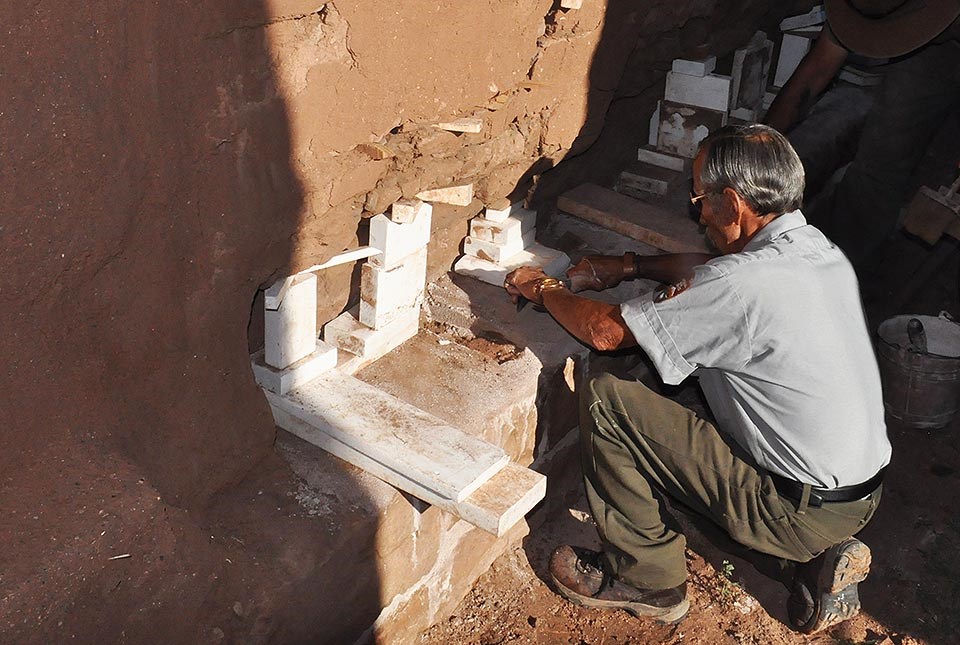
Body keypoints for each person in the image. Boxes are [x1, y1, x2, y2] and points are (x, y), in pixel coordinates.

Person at [503, 125, 891, 633]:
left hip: (795, 506)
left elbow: (602, 332)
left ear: (732, 204)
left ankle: (647, 582)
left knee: (609, 393)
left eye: (701, 197)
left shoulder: (739, 287)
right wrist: (629, 265)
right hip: (853, 490)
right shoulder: (813, 249)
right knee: (677, 375)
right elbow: (719, 269)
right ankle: (811, 563)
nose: (697, 210)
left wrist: (543, 287)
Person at [764, 0, 960, 266]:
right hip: (931, 39)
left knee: (900, 155)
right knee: (882, 150)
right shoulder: (864, 5)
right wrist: (755, 145)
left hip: (944, 28)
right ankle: (827, 264)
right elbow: (815, 72)